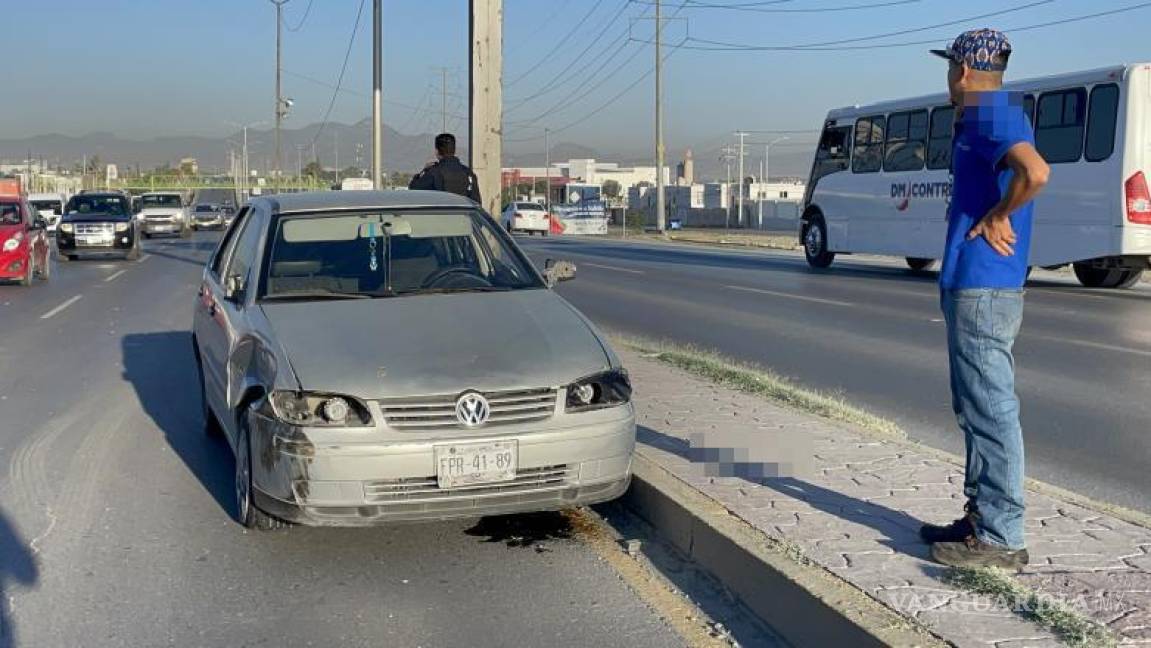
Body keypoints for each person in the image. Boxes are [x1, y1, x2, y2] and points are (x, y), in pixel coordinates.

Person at [919, 29, 1049, 569]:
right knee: (974, 407)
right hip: (973, 284)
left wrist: (999, 214)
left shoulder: (989, 113)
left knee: (991, 408)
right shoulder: (984, 116)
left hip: (984, 286)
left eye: (949, 66)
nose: (947, 76)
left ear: (964, 71)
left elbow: (1035, 171)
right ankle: (981, 516)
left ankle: (1000, 534)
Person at [408, 133, 482, 204]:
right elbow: (476, 203)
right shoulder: (468, 173)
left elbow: (414, 188)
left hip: (441, 216)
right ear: (454, 150)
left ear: (436, 151)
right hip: (464, 216)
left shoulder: (433, 172)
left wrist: (422, 172)